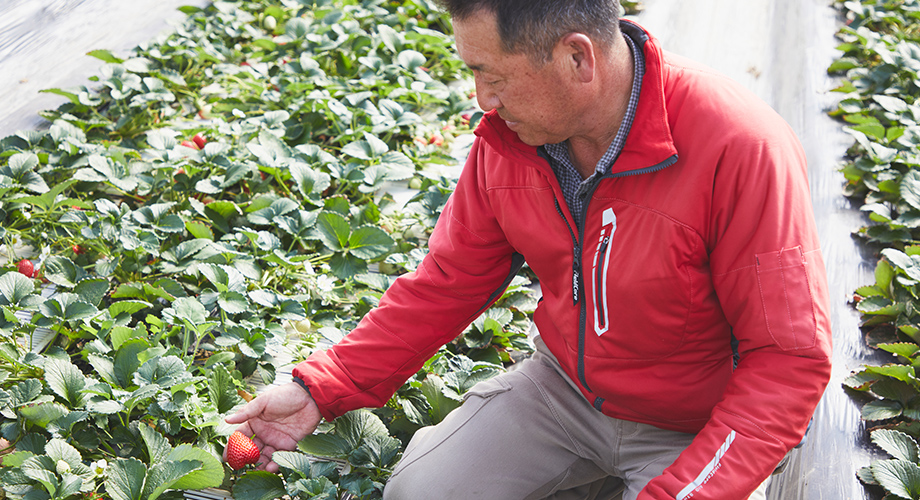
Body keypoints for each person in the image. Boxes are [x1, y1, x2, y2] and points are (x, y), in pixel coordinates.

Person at [226, 0, 833, 498]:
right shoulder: (510, 142)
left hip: (694, 423)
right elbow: (448, 281)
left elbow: (788, 361)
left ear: (577, 57)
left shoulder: (741, 148)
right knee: (420, 493)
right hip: (565, 393)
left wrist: (687, 492)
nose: (482, 98)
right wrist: (318, 389)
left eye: (493, 74)